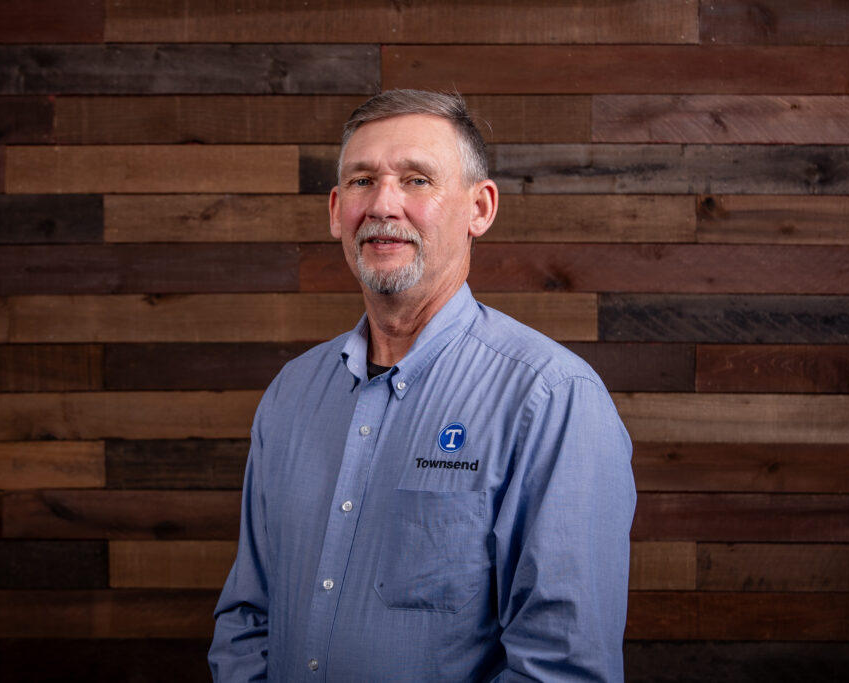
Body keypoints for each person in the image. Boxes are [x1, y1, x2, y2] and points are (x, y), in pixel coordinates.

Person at [209, 89, 636, 682]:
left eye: (416, 180)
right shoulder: (291, 395)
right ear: (336, 210)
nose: (383, 204)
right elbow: (246, 620)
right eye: (362, 181)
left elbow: (562, 668)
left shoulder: (552, 399)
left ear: (479, 208)